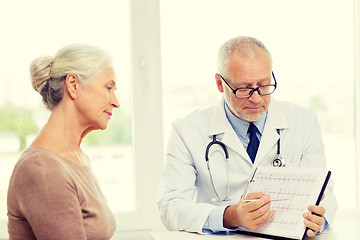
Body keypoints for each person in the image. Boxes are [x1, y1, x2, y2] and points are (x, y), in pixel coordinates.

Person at [157, 36, 338, 237]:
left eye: (264, 85)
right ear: (219, 83)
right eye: (243, 88)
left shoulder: (303, 121)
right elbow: (170, 207)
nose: (256, 98)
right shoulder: (187, 130)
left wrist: (320, 220)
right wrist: (228, 216)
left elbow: (325, 194)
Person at [7, 44, 119, 240]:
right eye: (108, 88)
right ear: (73, 85)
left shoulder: (76, 158)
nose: (116, 102)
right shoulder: (42, 168)